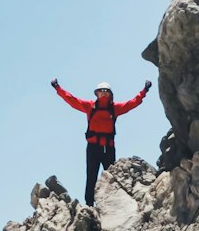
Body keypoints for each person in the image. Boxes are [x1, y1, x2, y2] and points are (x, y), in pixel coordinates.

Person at [51, 78, 153, 206]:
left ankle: (112, 204)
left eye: (106, 91)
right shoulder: (90, 106)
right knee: (91, 176)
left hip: (108, 148)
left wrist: (144, 91)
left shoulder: (114, 108)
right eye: (101, 91)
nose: (103, 93)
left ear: (110, 94)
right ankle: (89, 205)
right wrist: (57, 88)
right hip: (93, 147)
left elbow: (132, 103)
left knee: (111, 177)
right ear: (96, 93)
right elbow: (72, 100)